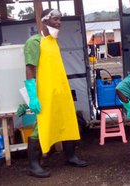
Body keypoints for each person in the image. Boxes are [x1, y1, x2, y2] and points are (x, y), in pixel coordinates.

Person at [24, 9, 87, 178]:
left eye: (60, 20)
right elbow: (30, 68)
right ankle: (34, 165)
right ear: (45, 20)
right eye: (56, 19)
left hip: (60, 91)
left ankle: (71, 156)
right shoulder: (34, 42)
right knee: (42, 125)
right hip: (44, 93)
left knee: (67, 121)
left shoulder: (53, 41)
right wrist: (33, 96)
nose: (59, 23)